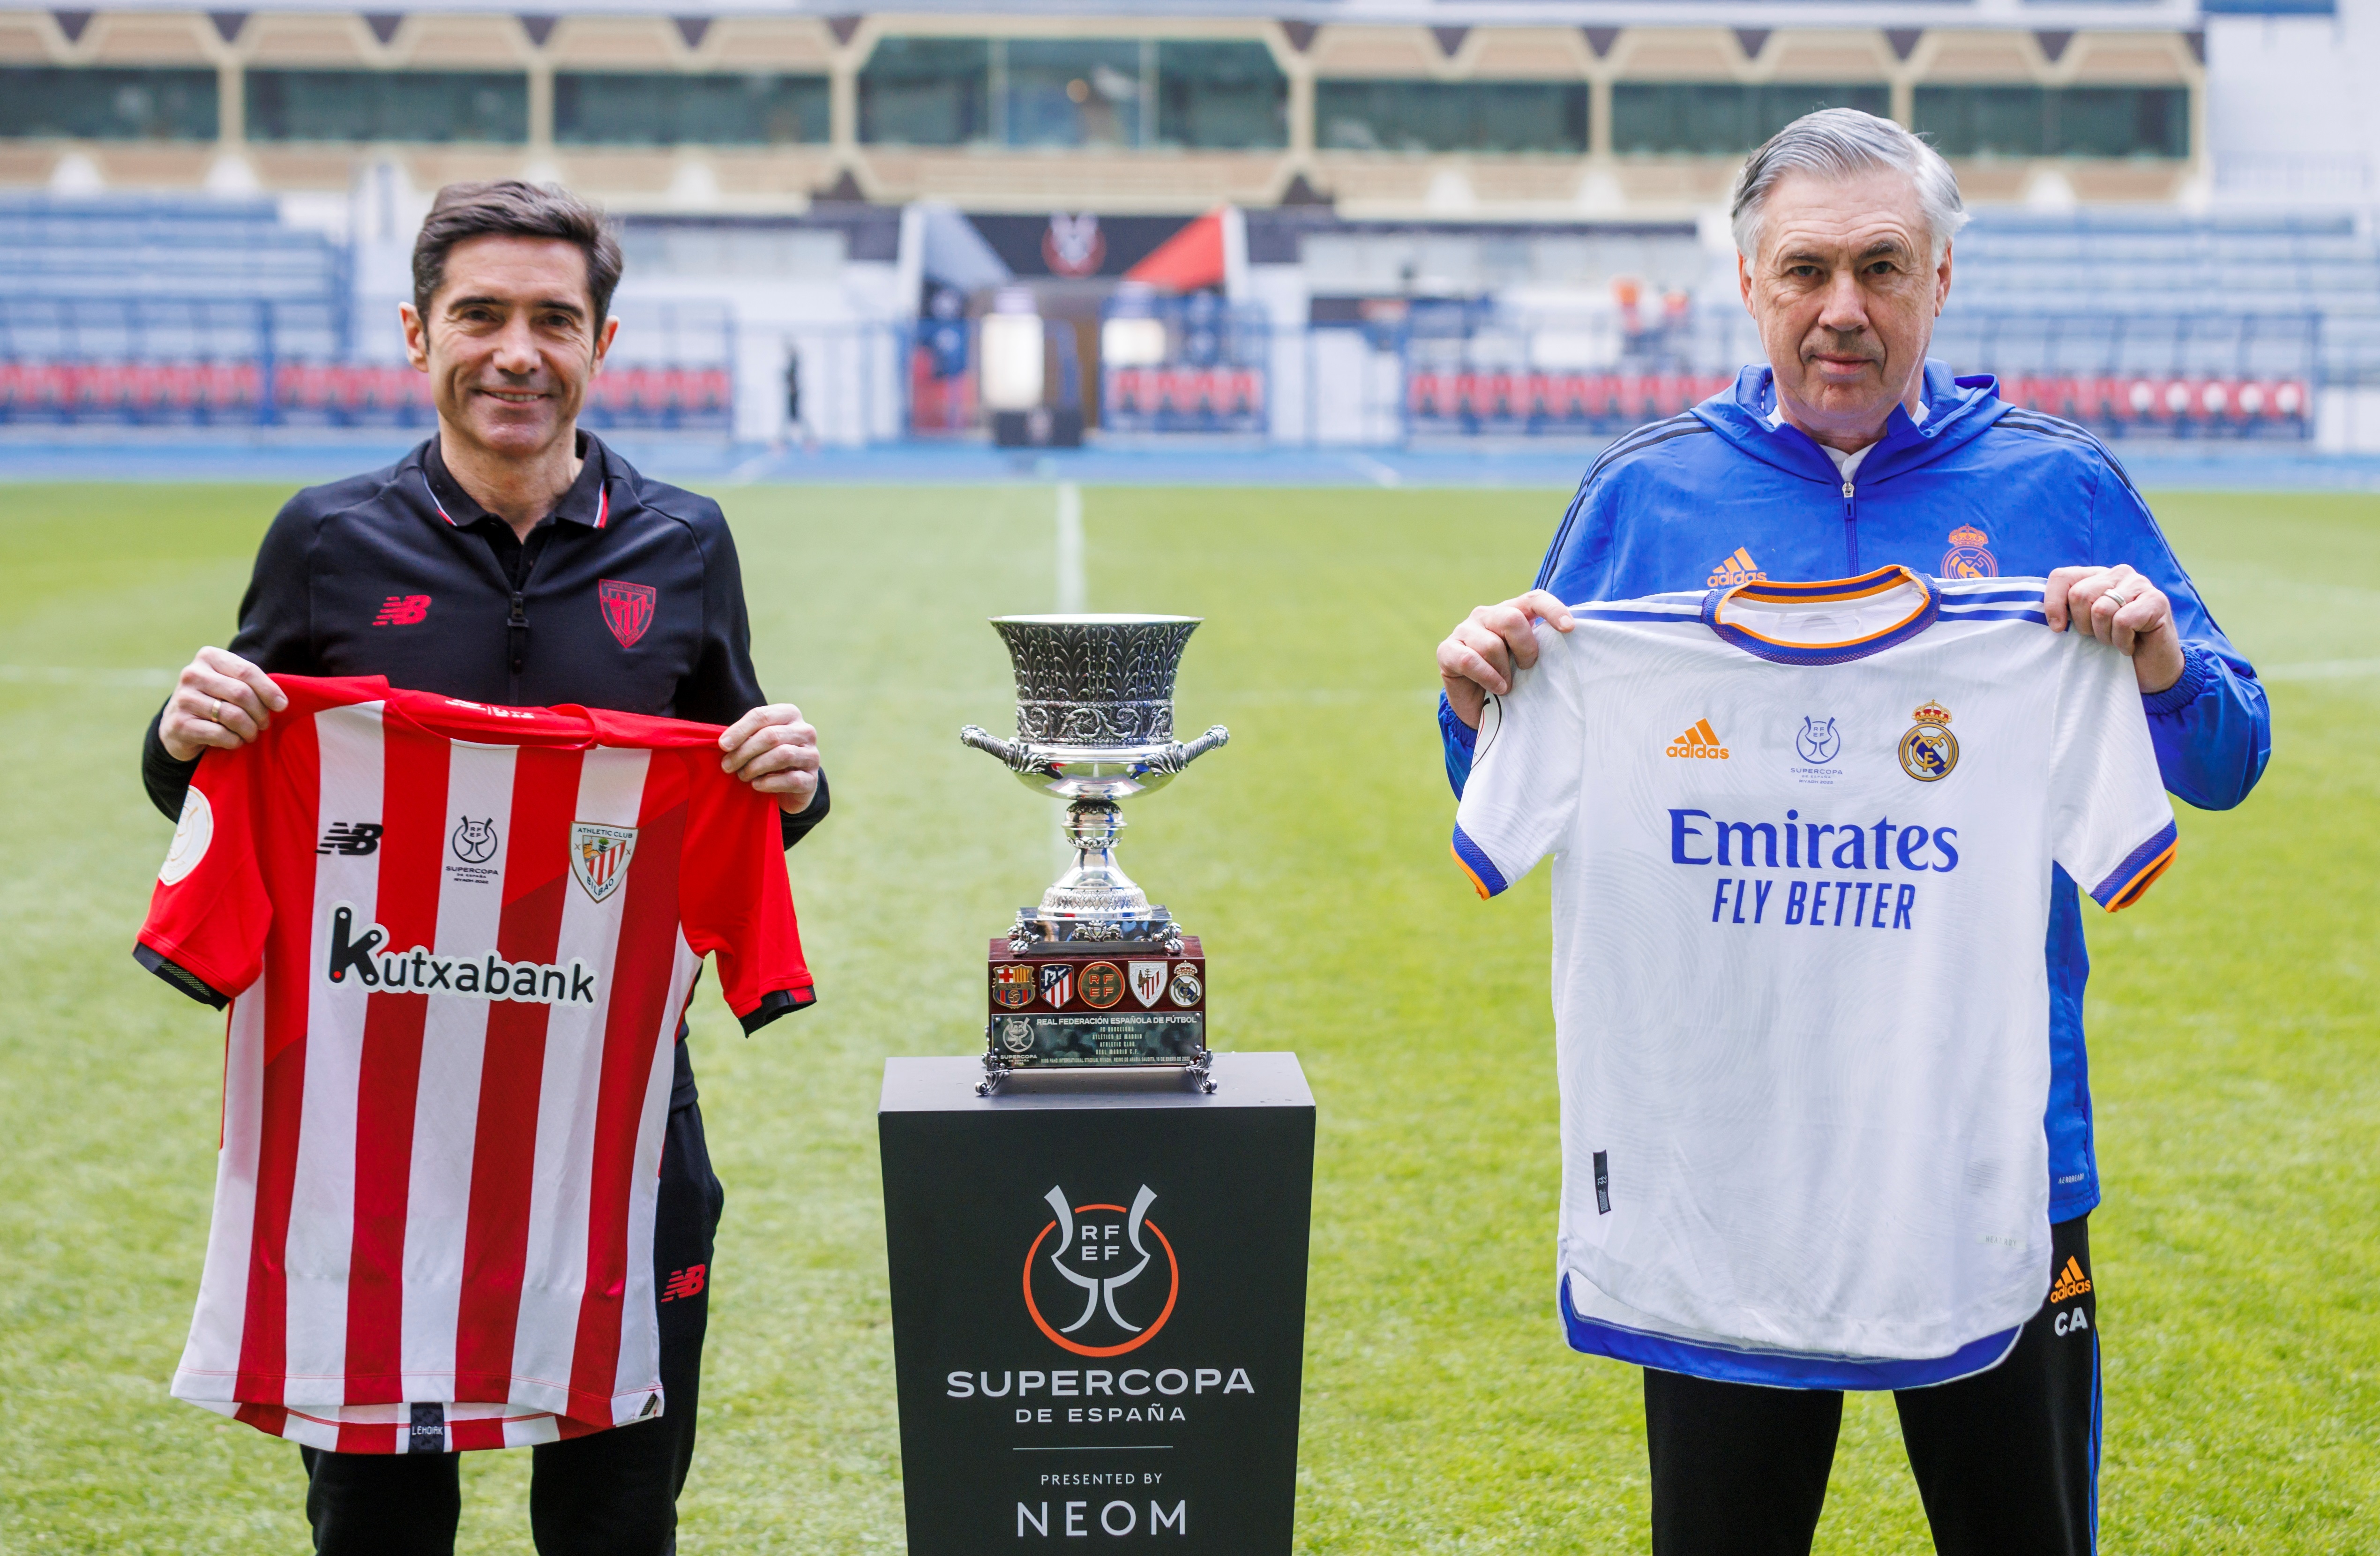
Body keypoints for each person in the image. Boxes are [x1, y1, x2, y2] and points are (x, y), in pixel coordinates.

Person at [1433, 109, 2269, 1555]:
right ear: (1748, 282)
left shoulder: (2054, 487)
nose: (1843, 309)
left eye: (1882, 267)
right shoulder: (1645, 497)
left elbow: (2231, 755)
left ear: (1942, 279)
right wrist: (1474, 694)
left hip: (1994, 1154)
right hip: (1726, 1164)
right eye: (1807, 269)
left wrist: (2156, 664)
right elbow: (1507, 778)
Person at [139, 180, 827, 1555]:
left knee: (618, 1504)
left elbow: (741, 792)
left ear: (601, 346)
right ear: (417, 333)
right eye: (482, 315)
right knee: (380, 1510)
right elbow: (213, 782)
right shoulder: (327, 541)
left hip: (611, 1105)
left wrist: (795, 781)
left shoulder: (683, 543)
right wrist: (175, 735)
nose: (517, 351)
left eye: (553, 320)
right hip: (366, 1111)